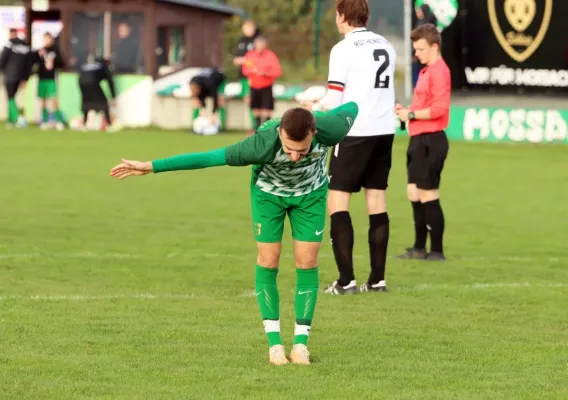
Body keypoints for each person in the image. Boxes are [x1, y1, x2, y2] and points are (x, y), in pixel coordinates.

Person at [110, 101, 360, 366]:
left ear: (313, 133)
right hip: (268, 197)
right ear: (279, 135)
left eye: (301, 150)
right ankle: (275, 346)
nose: (294, 157)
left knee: (307, 261)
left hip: (310, 196)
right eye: (288, 149)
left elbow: (353, 106)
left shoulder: (330, 129)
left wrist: (317, 110)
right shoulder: (260, 144)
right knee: (269, 260)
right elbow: (208, 158)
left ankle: (300, 345)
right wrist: (151, 165)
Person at [308, 0, 397, 294]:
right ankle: (378, 279)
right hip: (384, 131)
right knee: (377, 200)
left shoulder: (343, 48)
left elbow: (335, 99)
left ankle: (346, 280)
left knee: (337, 201)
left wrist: (311, 107)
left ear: (342, 16)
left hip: (355, 131)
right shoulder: (385, 44)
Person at [395, 23, 451, 261]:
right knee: (414, 193)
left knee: (429, 194)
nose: (416, 53)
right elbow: (422, 106)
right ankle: (419, 247)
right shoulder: (427, 70)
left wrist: (411, 115)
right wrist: (406, 110)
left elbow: (440, 109)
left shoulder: (439, 70)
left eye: (420, 49)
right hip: (418, 139)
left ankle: (436, 251)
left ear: (434, 47)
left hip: (431, 140)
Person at [242, 36, 281, 131]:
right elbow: (245, 70)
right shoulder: (250, 55)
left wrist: (265, 73)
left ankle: (268, 129)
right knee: (256, 109)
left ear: (265, 45)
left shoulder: (270, 56)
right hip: (254, 86)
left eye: (261, 45)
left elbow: (277, 71)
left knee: (267, 109)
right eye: (258, 45)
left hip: (266, 86)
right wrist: (253, 71)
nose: (259, 47)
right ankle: (257, 129)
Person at [31, 32, 65, 130]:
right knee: (43, 100)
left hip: (51, 79)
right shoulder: (40, 51)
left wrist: (53, 61)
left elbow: (61, 63)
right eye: (45, 39)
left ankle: (58, 120)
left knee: (54, 99)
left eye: (48, 39)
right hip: (42, 79)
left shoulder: (55, 50)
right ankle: (44, 121)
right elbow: (33, 61)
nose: (46, 41)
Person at [0, 28, 32, 128]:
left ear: (11, 34)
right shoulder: (25, 45)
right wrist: (25, 78)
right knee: (13, 97)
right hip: (20, 77)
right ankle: (11, 119)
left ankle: (17, 119)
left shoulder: (9, 43)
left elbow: (3, 58)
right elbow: (28, 63)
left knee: (10, 97)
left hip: (10, 75)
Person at [233, 19, 261, 130]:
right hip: (243, 75)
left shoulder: (257, 40)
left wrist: (245, 60)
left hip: (253, 76)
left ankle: (256, 124)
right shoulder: (241, 41)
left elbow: (256, 60)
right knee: (247, 98)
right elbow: (236, 59)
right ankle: (254, 123)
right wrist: (243, 60)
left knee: (253, 98)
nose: (247, 30)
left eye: (250, 28)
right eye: (245, 28)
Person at [78, 57, 117, 131]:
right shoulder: (103, 66)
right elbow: (110, 81)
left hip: (81, 83)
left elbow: (80, 76)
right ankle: (109, 125)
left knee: (87, 102)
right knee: (104, 103)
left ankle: (84, 124)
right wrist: (113, 97)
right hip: (93, 82)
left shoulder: (89, 65)